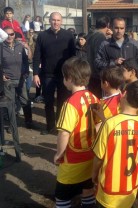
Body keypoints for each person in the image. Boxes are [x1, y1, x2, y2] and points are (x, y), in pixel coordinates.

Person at [92, 80, 138, 208]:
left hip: (109, 187)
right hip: (130, 186)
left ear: (123, 94)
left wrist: (94, 175)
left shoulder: (110, 124)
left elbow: (98, 157)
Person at [54, 57, 99, 208]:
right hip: (91, 157)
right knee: (87, 191)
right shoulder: (94, 98)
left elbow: (64, 133)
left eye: (63, 77)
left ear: (70, 79)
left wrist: (59, 154)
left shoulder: (69, 104)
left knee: (62, 196)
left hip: (72, 160)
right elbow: (99, 126)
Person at [33, 12, 76, 135]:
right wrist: (35, 73)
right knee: (48, 102)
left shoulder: (68, 35)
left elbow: (73, 56)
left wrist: (72, 72)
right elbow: (37, 56)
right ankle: (50, 126)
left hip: (64, 76)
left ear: (61, 21)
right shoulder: (42, 36)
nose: (55, 22)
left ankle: (60, 126)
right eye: (53, 20)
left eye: (58, 20)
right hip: (47, 75)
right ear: (49, 21)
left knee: (62, 102)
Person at [1, 27, 32, 128]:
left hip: (21, 79)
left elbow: (28, 60)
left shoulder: (20, 46)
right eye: (7, 34)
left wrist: (28, 48)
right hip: (8, 80)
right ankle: (11, 125)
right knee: (10, 103)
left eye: (12, 34)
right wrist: (2, 75)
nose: (10, 36)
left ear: (14, 35)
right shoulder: (1, 47)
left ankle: (29, 122)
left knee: (25, 100)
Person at [86, 16, 111, 98]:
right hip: (97, 74)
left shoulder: (91, 35)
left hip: (90, 71)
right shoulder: (100, 37)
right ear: (107, 25)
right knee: (98, 99)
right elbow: (99, 56)